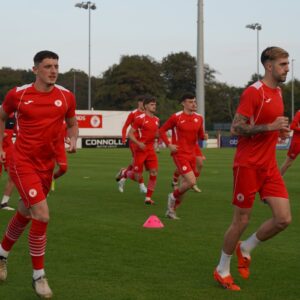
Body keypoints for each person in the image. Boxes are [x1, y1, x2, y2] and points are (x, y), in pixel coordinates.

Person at [0, 50, 78, 299]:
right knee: (42, 215)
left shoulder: (66, 97)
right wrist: (2, 143)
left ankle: (1, 255)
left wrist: (73, 138)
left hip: (46, 165)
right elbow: (1, 117)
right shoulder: (19, 94)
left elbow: (72, 122)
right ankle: (38, 276)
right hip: (22, 162)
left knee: (24, 212)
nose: (53, 70)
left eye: (56, 66)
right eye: (47, 66)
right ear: (35, 70)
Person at [214, 47, 291, 291]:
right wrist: (269, 127)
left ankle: (246, 247)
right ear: (269, 66)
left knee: (283, 219)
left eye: (288, 64)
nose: (287, 68)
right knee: (241, 221)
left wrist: (278, 131)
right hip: (247, 165)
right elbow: (236, 128)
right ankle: (222, 269)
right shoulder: (253, 93)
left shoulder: (278, 92)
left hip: (268, 166)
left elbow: (267, 126)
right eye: (282, 64)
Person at [159, 93, 205, 219]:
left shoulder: (199, 118)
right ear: (183, 103)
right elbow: (161, 130)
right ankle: (172, 197)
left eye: (194, 101)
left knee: (185, 185)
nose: (194, 104)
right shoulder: (176, 117)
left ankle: (171, 211)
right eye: (190, 102)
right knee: (191, 181)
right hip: (179, 154)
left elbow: (200, 135)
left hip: (192, 153)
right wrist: (169, 144)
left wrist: (204, 136)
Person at [118, 95, 159, 205]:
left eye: (155, 104)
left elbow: (156, 134)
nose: (154, 106)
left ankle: (148, 198)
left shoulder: (156, 120)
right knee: (137, 176)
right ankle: (125, 173)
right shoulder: (139, 118)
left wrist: (159, 140)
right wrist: (138, 143)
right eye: (152, 104)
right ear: (146, 106)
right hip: (139, 149)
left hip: (150, 150)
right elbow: (130, 133)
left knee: (154, 172)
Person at [116, 96, 147, 193]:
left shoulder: (147, 114)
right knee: (139, 164)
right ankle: (142, 185)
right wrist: (124, 138)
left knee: (137, 164)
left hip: (143, 143)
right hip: (134, 143)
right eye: (142, 102)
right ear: (139, 103)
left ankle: (124, 174)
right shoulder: (133, 114)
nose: (144, 104)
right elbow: (125, 126)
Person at [0, 114, 16, 210]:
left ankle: (4, 203)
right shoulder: (2, 111)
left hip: (9, 149)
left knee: (12, 176)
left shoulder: (15, 115)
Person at [280, 110, 300, 175]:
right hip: (297, 143)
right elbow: (292, 126)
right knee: (288, 163)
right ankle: (275, 180)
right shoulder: (299, 113)